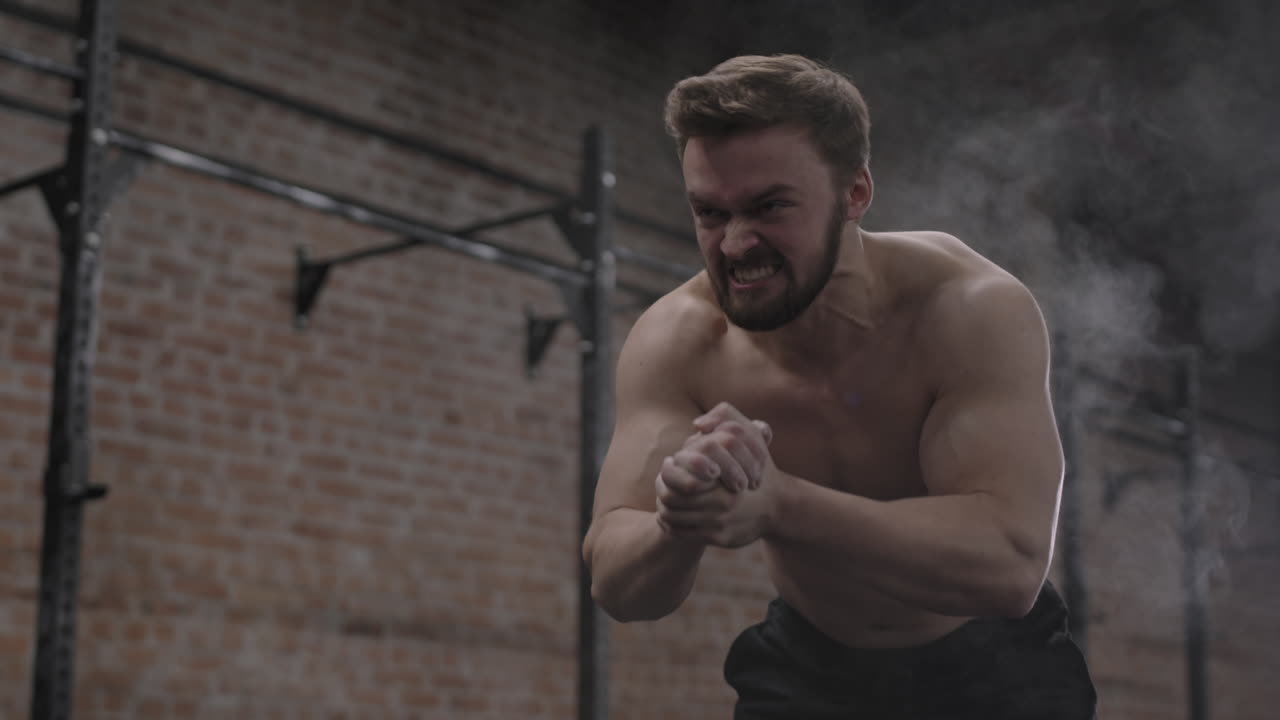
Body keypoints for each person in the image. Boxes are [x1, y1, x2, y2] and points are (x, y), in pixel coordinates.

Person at [580, 54, 1097, 719]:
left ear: (855, 194)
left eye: (769, 207)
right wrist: (679, 522)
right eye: (709, 213)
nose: (734, 244)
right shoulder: (679, 338)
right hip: (811, 669)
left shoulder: (967, 308)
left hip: (994, 665)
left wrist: (782, 505)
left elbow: (1010, 567)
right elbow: (617, 585)